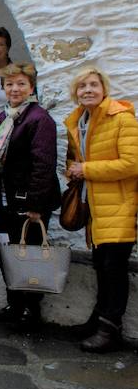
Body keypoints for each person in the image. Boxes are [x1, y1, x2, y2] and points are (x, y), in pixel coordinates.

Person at [64, 67, 138, 353]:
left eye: (93, 85)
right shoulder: (80, 120)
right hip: (95, 205)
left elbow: (132, 163)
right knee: (101, 265)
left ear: (104, 88)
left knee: (114, 267)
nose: (88, 90)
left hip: (119, 204)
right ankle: (99, 320)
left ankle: (110, 330)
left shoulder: (121, 118)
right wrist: (74, 172)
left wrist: (87, 170)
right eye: (82, 86)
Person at [0, 63, 60, 330]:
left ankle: (31, 309)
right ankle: (14, 304)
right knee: (8, 252)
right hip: (5, 199)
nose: (14, 89)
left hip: (28, 202)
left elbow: (44, 165)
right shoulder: (3, 117)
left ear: (31, 87)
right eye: (9, 84)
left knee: (30, 254)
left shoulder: (39, 119)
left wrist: (36, 204)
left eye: (20, 84)